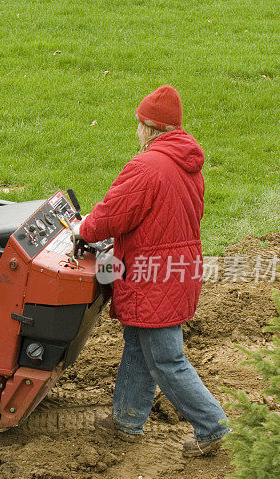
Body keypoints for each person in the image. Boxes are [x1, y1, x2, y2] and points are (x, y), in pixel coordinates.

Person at [75, 85, 230, 457]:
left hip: (154, 275)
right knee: (138, 346)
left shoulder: (146, 166)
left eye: (138, 124)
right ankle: (127, 420)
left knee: (166, 358)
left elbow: (111, 216)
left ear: (148, 126)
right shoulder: (186, 163)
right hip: (179, 268)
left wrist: (84, 229)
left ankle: (213, 426)